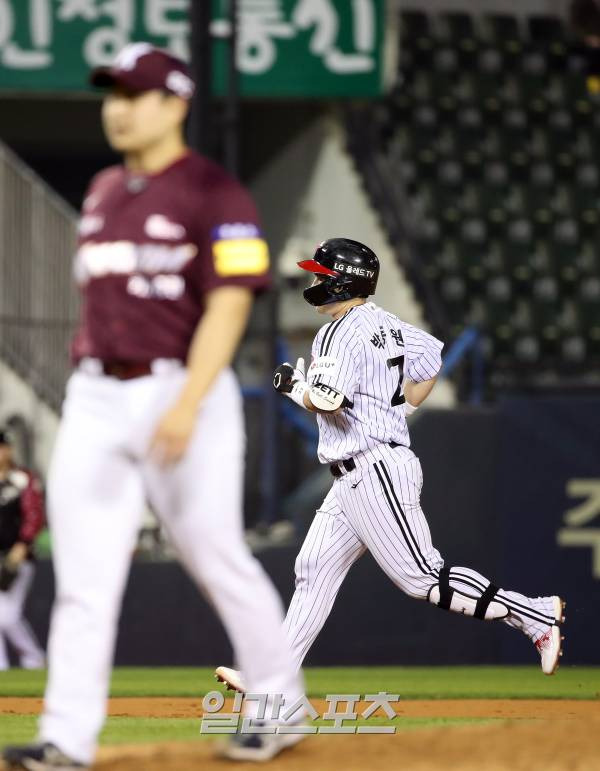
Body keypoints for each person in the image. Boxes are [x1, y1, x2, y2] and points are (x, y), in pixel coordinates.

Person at [3, 43, 303, 769]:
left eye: (134, 95)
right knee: (83, 576)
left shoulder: (213, 192)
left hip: (181, 387)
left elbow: (229, 304)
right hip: (97, 395)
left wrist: (189, 401)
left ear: (175, 104)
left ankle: (279, 704)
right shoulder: (105, 190)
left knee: (215, 555)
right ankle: (67, 738)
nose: (117, 108)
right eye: (111, 95)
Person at [215, 237, 565, 694]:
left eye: (322, 274)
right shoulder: (388, 324)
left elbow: (328, 399)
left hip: (373, 467)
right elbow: (429, 357)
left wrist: (291, 386)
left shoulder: (338, 331)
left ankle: (534, 614)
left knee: (422, 578)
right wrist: (398, 403)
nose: (315, 280)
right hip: (355, 473)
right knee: (313, 567)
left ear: (345, 280)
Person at [0, 428, 45, 671]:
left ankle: (34, 658)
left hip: (17, 557)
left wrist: (23, 544)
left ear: (9, 450)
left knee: (6, 615)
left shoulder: (23, 479)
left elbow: (35, 515)